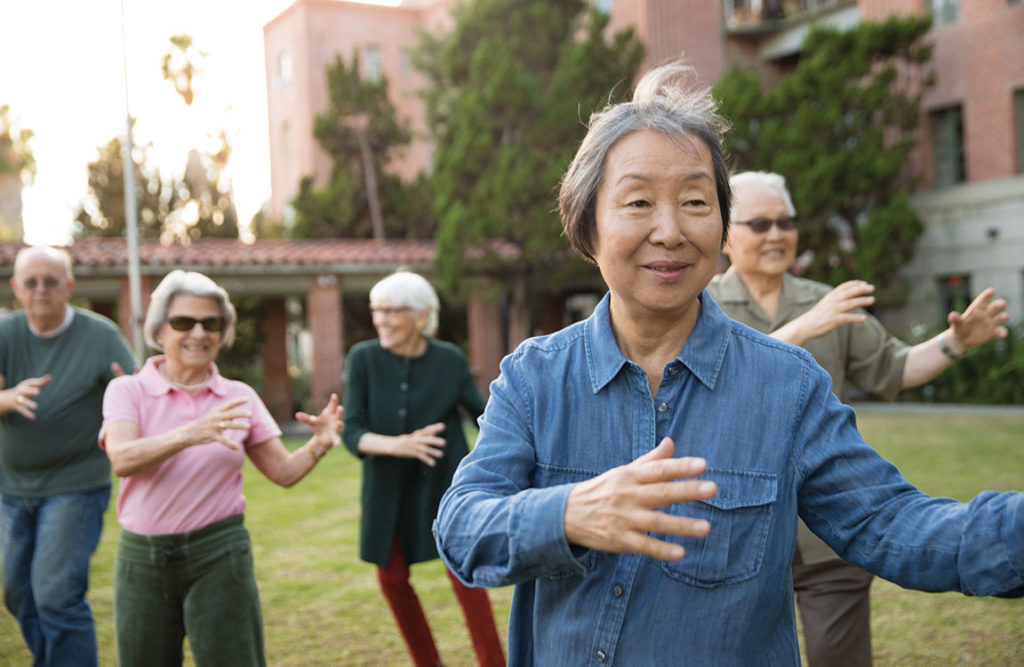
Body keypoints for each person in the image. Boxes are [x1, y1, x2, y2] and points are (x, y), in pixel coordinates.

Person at [433, 61, 1024, 666]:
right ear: (587, 225)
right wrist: (569, 514)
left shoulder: (787, 386)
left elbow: (891, 523)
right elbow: (461, 530)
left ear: (720, 227)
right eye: (637, 201)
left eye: (695, 201)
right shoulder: (534, 378)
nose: (670, 231)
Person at [707, 170, 1011, 666]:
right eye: (759, 224)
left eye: (786, 222)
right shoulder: (703, 307)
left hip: (830, 530)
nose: (777, 234)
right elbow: (715, 383)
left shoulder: (830, 301)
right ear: (727, 234)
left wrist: (956, 342)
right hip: (739, 532)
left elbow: (896, 367)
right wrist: (805, 328)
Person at [100, 270, 343, 666]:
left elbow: (282, 472)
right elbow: (122, 459)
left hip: (219, 553)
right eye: (183, 322)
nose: (198, 332)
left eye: (210, 323)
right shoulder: (127, 390)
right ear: (160, 331)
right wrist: (190, 432)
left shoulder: (238, 396)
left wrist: (319, 444)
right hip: (142, 559)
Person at [342, 271, 504, 667]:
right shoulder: (363, 358)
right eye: (376, 310)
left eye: (391, 311)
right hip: (385, 489)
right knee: (392, 578)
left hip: (442, 485)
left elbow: (487, 417)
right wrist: (399, 445)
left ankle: (494, 662)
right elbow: (352, 432)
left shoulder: (448, 359)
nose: (380, 319)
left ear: (421, 315)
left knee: (467, 575)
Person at [0, 245, 136, 667]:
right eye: (32, 282)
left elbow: (135, 394)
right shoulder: (5, 334)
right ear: (16, 288)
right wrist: (5, 399)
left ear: (70, 286)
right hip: (11, 487)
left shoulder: (101, 336)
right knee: (18, 591)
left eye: (52, 281)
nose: (42, 290)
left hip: (75, 484)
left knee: (56, 593)